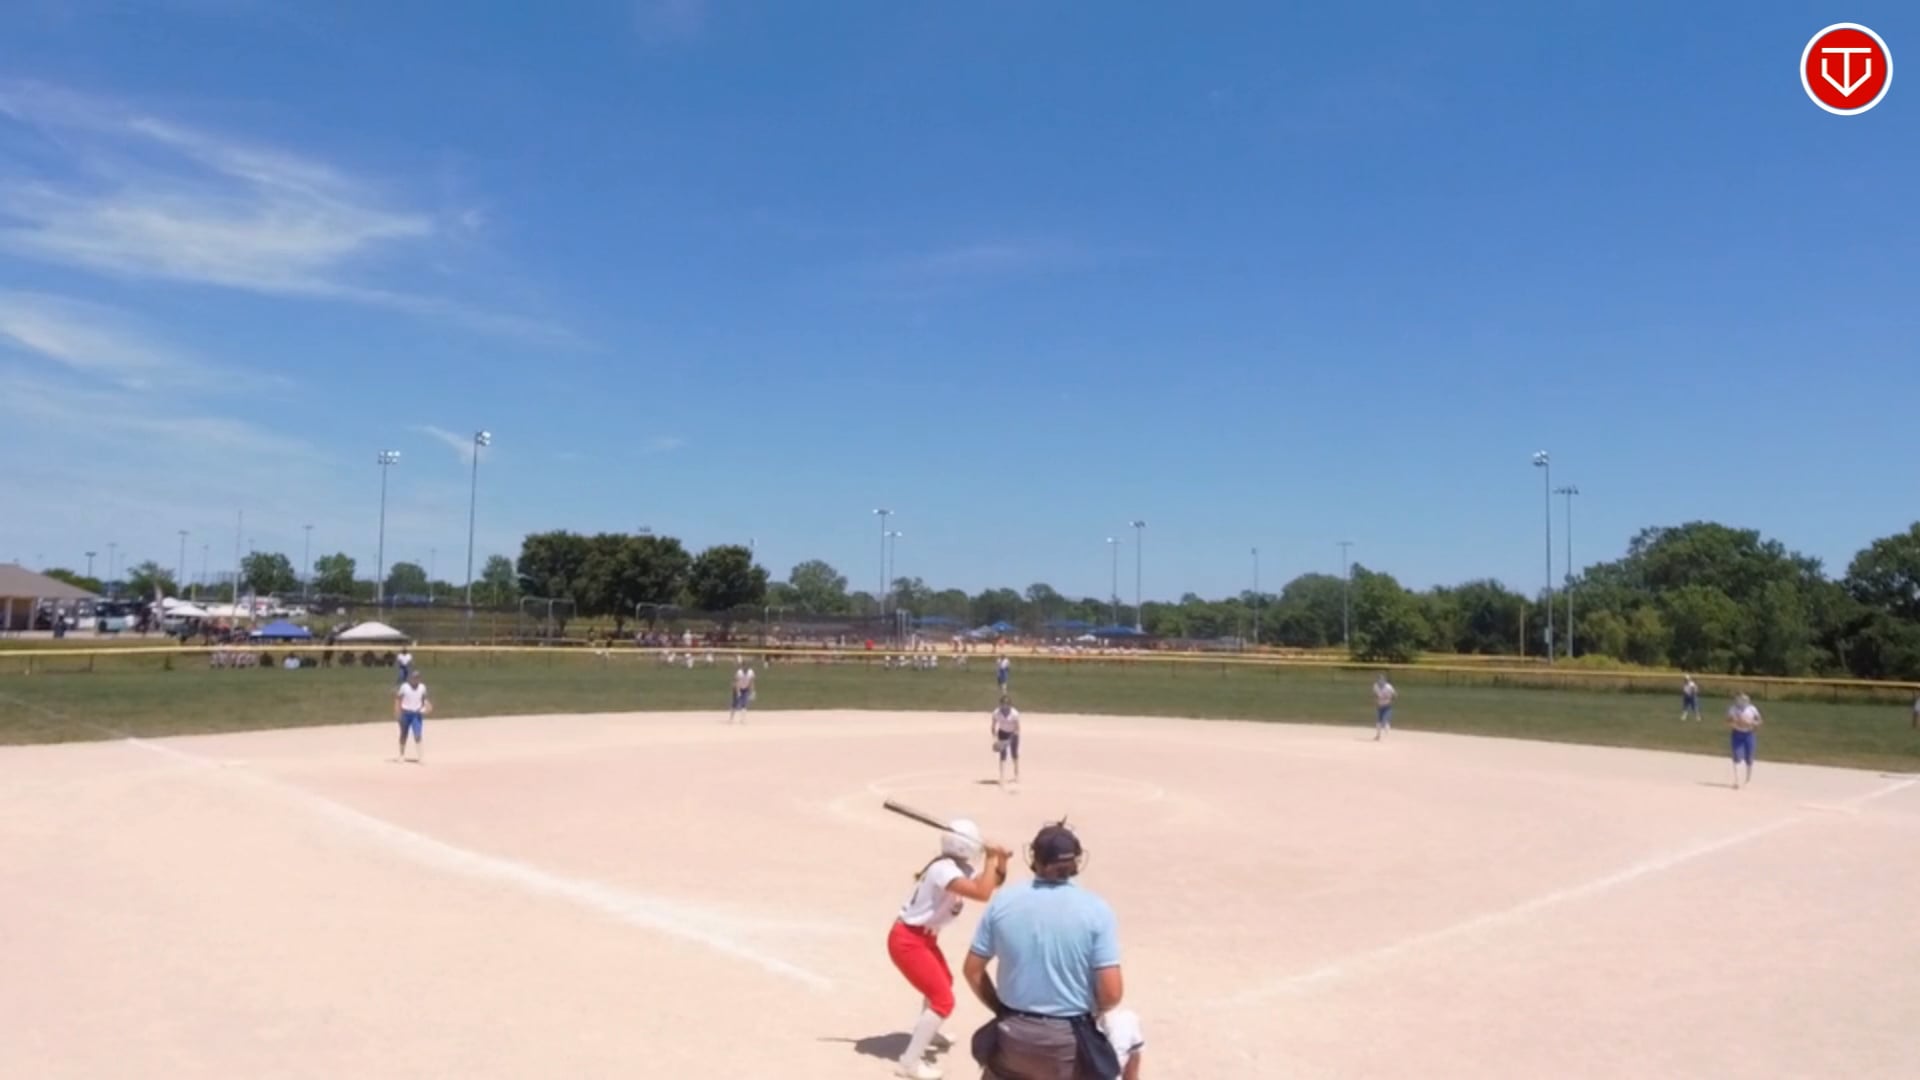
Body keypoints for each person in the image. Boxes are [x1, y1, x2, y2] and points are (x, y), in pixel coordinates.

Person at [963, 821, 1126, 1080]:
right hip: (1067, 1040)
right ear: (1076, 861)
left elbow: (972, 971)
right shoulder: (1097, 910)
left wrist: (1001, 1009)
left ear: (1034, 858)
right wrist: (1091, 1010)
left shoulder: (1002, 903)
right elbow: (1112, 993)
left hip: (1013, 1034)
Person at [887, 819, 1011, 1080]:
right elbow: (981, 893)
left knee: (943, 983)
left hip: (924, 939)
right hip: (908, 941)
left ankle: (927, 1033)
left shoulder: (957, 867)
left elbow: (992, 883)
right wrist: (990, 857)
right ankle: (909, 1062)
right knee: (943, 999)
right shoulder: (943, 870)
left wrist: (1000, 860)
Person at [394, 668, 431, 763]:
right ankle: (401, 755)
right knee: (403, 734)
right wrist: (397, 712)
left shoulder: (422, 687)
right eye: (414, 677)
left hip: (416, 714)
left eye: (418, 677)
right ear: (410, 678)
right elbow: (398, 698)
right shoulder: (404, 687)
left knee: (418, 735)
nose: (416, 679)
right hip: (405, 713)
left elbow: (424, 699)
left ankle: (420, 757)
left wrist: (427, 706)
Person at [1727, 691, 1762, 789]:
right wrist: (1736, 723)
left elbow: (1759, 721)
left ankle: (1748, 780)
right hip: (1737, 734)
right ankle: (1737, 781)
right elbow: (1728, 720)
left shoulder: (1752, 709)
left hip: (1749, 734)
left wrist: (1751, 723)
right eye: (1740, 699)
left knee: (1749, 757)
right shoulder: (1733, 709)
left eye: (1744, 700)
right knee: (1737, 756)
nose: (1742, 701)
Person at [991, 694, 1022, 787]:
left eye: (1006, 705)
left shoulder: (1015, 713)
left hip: (1013, 734)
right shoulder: (996, 713)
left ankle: (1016, 775)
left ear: (1010, 705)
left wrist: (1010, 740)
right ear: (1000, 705)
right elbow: (993, 727)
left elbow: (1018, 728)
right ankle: (1002, 777)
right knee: (1003, 755)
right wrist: (995, 738)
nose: (1004, 707)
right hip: (1002, 733)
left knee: (1014, 754)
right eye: (1003, 705)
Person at [1373, 673, 1397, 740]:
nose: (1381, 681)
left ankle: (1387, 732)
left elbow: (1395, 695)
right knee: (1378, 721)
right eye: (1379, 679)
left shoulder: (1388, 687)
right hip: (1380, 706)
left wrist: (1390, 699)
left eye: (1382, 680)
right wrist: (1376, 699)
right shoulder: (1375, 686)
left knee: (1385, 721)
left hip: (1387, 706)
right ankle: (1378, 735)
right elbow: (1375, 694)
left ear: (1385, 680)